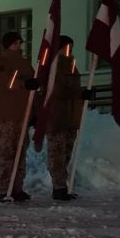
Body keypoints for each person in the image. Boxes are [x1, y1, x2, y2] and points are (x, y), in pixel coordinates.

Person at [0, 32, 38, 203]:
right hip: (8, 112)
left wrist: (35, 111)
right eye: (14, 43)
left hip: (23, 113)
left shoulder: (25, 63)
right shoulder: (1, 63)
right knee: (6, 152)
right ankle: (5, 188)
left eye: (19, 42)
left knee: (20, 151)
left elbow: (33, 88)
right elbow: (3, 82)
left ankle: (17, 187)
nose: (18, 45)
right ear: (7, 45)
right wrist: (23, 84)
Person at [44, 36, 91, 202]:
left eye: (71, 46)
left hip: (70, 116)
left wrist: (81, 95)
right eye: (66, 47)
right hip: (56, 116)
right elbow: (56, 90)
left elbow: (72, 89)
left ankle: (62, 185)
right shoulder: (53, 67)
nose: (69, 50)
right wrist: (79, 94)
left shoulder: (72, 66)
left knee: (66, 154)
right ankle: (59, 187)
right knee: (57, 154)